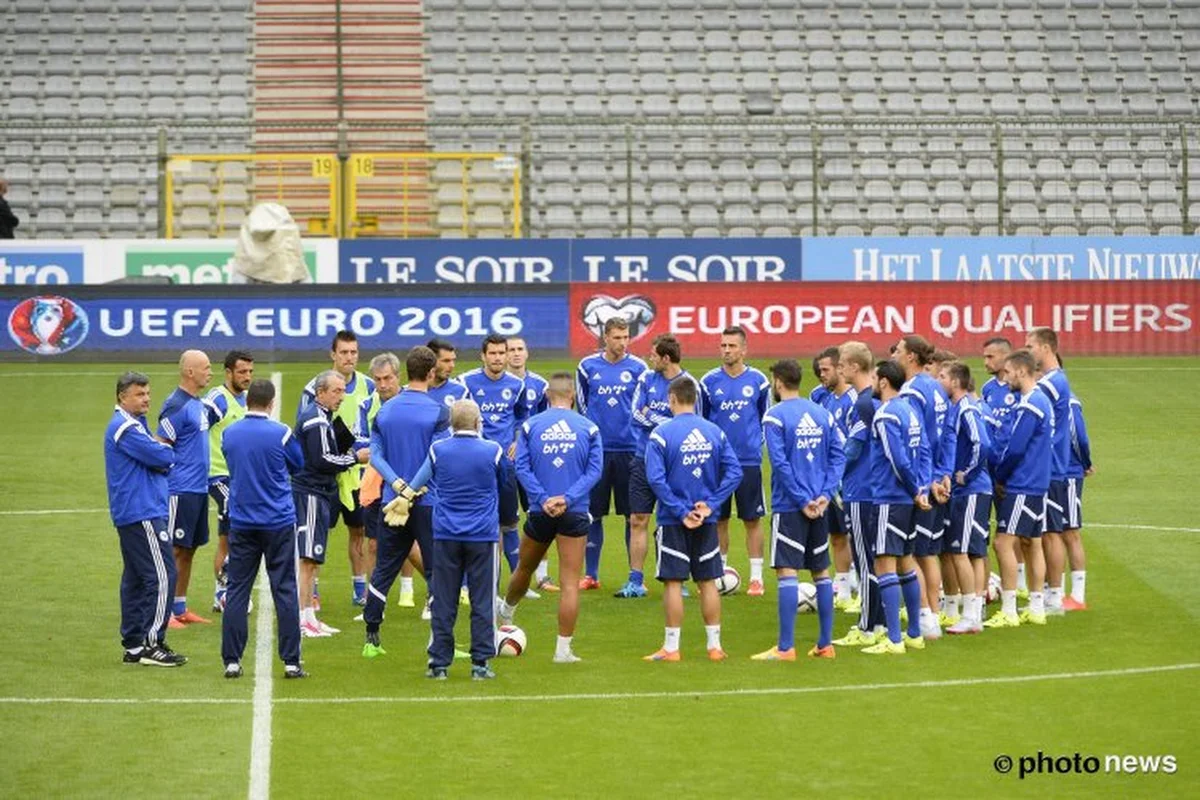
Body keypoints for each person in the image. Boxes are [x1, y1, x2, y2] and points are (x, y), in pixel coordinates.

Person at [500, 372, 603, 663]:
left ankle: (506, 616)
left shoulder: (531, 426)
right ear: (572, 395)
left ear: (547, 396)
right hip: (575, 512)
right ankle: (563, 651)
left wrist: (543, 498)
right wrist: (567, 499)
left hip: (539, 510)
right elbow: (594, 472)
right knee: (570, 583)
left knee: (523, 569)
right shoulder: (589, 428)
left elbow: (521, 468)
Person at [752, 359, 845, 661]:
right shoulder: (822, 414)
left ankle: (785, 647)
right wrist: (825, 495)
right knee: (821, 571)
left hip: (791, 506)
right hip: (820, 505)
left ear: (778, 382)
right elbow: (837, 456)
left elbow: (780, 464)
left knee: (786, 571)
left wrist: (803, 498)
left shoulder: (774, 417)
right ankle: (825, 644)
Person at [643, 377, 742, 662]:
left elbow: (656, 479)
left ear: (672, 400)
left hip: (674, 521)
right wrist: (709, 506)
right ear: (696, 400)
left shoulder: (661, 434)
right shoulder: (714, 432)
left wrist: (680, 511)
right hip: (706, 520)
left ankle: (672, 648)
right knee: (708, 581)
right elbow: (734, 473)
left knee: (673, 582)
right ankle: (714, 647)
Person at [362, 347, 450, 657]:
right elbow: (435, 457)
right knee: (438, 571)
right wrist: (412, 489)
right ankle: (440, 643)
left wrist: (398, 486)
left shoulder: (384, 411)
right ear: (430, 374)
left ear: (405, 374)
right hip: (427, 503)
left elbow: (376, 456)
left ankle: (371, 639)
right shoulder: (439, 411)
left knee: (384, 569)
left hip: (391, 504)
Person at [412, 400, 507, 681]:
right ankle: (480, 663)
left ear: (451, 424)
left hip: (445, 535)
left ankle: (438, 663)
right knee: (482, 600)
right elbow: (507, 483)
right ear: (479, 422)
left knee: (443, 599)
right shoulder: (493, 450)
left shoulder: (438, 450)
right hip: (483, 536)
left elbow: (418, 482)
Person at [219, 379, 307, 680]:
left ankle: (231, 660)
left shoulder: (231, 433)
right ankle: (292, 661)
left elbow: (231, 462)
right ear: (270, 403)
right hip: (278, 522)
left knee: (237, 589)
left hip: (243, 521)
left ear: (247, 402)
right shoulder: (281, 433)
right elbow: (298, 464)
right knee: (285, 590)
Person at [104, 371, 184, 667]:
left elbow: (157, 456)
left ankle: (135, 645)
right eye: (139, 394)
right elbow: (163, 457)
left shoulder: (134, 424)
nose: (146, 399)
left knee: (137, 579)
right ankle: (152, 643)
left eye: (148, 393)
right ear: (122, 397)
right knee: (163, 576)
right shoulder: (125, 427)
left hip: (137, 511)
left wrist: (160, 452)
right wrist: (163, 451)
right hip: (142, 512)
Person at [298, 331, 376, 609]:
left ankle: (359, 590)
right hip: (326, 475)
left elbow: (374, 421)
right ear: (333, 354)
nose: (349, 358)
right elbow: (305, 429)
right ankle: (312, 593)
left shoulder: (368, 385)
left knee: (359, 530)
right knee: (320, 531)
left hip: (356, 475)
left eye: (353, 352)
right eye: (344, 352)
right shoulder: (314, 388)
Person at [624, 334, 704, 599]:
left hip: (676, 463)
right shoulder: (646, 378)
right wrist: (669, 421)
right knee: (638, 519)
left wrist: (653, 417)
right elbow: (635, 414)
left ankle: (676, 577)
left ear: (665, 359)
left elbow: (694, 422)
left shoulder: (690, 384)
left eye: (653, 355)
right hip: (643, 458)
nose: (649, 358)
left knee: (673, 520)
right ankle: (635, 580)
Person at [862, 360, 930, 656]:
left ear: (885, 382)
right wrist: (923, 488)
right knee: (906, 562)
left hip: (891, 497)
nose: (872, 384)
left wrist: (915, 489)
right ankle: (914, 633)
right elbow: (924, 450)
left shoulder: (885, 414)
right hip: (910, 499)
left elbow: (897, 458)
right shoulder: (911, 411)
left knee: (884, 563)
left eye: (875, 378)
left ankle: (894, 639)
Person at [575, 317, 646, 590]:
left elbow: (641, 407)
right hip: (598, 452)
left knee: (633, 515)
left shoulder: (639, 368)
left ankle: (634, 574)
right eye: (617, 337)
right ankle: (591, 574)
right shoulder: (587, 366)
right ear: (605, 337)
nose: (622, 342)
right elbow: (581, 408)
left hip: (630, 450)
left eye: (626, 336)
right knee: (594, 513)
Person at [700, 326, 771, 596]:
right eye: (723, 345)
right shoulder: (707, 382)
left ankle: (756, 578)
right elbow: (703, 420)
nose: (726, 350)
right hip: (717, 464)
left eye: (731, 346)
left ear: (744, 349)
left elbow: (765, 419)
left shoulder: (759, 381)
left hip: (749, 461)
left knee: (752, 519)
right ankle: (719, 573)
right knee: (718, 519)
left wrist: (756, 445)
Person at [985, 350, 1053, 628]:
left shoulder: (1030, 405)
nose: (1008, 377)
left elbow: (1015, 449)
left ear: (1022, 372)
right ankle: (1036, 608)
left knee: (1003, 542)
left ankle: (1010, 610)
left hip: (1022, 482)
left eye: (1011, 372)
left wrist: (1000, 476)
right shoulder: (1042, 401)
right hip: (1038, 482)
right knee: (1032, 542)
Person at [293, 370, 359, 637]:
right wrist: (355, 459)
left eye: (343, 391)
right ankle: (302, 619)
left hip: (318, 493)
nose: (341, 397)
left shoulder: (324, 418)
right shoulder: (316, 420)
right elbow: (322, 461)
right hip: (310, 492)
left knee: (312, 559)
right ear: (320, 392)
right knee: (308, 558)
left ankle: (309, 617)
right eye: (336, 391)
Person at [461, 334, 528, 580]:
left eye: (502, 353)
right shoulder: (466, 384)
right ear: (483, 356)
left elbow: (522, 417)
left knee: (509, 522)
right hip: (476, 464)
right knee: (473, 521)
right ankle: (469, 583)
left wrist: (517, 438)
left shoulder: (516, 385)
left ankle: (518, 580)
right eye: (493, 353)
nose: (499, 358)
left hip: (505, 465)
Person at [157, 349, 215, 627]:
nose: (210, 371)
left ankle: (180, 608)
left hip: (198, 490)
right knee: (174, 551)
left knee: (190, 548)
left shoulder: (198, 403)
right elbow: (161, 445)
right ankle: (164, 611)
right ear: (189, 371)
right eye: (205, 367)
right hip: (180, 490)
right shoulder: (175, 405)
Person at [832, 342, 886, 647]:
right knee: (875, 559)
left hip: (861, 490)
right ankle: (878, 621)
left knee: (865, 561)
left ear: (854, 367)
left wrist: (833, 470)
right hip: (874, 489)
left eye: (842, 364)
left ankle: (867, 626)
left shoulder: (864, 403)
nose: (840, 369)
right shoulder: (874, 400)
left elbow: (852, 448)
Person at [893, 335, 945, 640]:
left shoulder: (911, 391)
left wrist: (920, 484)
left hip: (919, 484)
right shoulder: (935, 387)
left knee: (910, 552)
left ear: (911, 357)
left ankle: (924, 616)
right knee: (928, 552)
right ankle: (933, 615)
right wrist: (943, 472)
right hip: (935, 479)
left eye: (899, 350)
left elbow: (914, 442)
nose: (895, 354)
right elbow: (947, 433)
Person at [938, 362, 992, 635]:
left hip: (972, 490)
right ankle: (973, 612)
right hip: (966, 491)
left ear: (956, 382)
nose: (939, 380)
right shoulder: (957, 408)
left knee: (962, 551)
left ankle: (971, 615)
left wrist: (966, 474)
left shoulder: (967, 408)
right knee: (968, 551)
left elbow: (982, 443)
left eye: (943, 376)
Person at [353, 353, 410, 610]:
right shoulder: (366, 405)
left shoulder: (413, 401)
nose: (383, 384)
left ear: (398, 377)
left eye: (388, 378)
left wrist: (380, 450)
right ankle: (374, 604)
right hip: (377, 484)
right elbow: (361, 448)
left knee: (415, 543)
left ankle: (423, 592)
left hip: (412, 482)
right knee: (375, 543)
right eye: (378, 379)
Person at [1027, 327, 1072, 616]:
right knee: (1045, 532)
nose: (1028, 350)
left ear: (1045, 348)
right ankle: (1050, 592)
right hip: (1053, 466)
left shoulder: (1049, 385)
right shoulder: (1056, 381)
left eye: (1030, 345)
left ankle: (1055, 596)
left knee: (1051, 533)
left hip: (1051, 467)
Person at [507, 335, 557, 594]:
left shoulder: (540, 385)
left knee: (538, 514)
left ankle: (542, 576)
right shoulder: (500, 384)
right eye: (511, 350)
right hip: (504, 460)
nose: (515, 354)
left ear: (527, 353)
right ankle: (517, 574)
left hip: (533, 461)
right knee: (507, 520)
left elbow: (547, 421)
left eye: (519, 349)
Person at [205, 349, 253, 613]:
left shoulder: (245, 400)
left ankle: (219, 594)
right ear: (228, 373)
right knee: (236, 524)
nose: (247, 377)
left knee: (226, 539)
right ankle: (226, 591)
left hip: (237, 477)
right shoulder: (217, 400)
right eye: (242, 372)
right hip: (216, 475)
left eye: (250, 372)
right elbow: (196, 428)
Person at [979, 337, 1027, 597]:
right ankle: (1002, 582)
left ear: (1004, 357)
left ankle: (1019, 582)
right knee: (991, 529)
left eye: (990, 357)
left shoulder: (1018, 390)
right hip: (990, 469)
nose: (985, 361)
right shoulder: (988, 388)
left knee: (1013, 530)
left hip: (1012, 469)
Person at [814, 345, 859, 611]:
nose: (821, 375)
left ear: (840, 369)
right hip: (831, 480)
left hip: (852, 480)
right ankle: (843, 590)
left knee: (856, 536)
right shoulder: (826, 400)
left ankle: (860, 583)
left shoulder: (854, 400)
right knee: (837, 535)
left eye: (826, 370)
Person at [1064, 390, 1093, 611]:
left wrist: (1085, 463)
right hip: (1051, 473)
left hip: (1069, 473)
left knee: (1070, 531)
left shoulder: (1069, 400)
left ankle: (1077, 595)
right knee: (1051, 534)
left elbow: (1079, 436)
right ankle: (1053, 591)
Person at [426, 338, 470, 409]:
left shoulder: (461, 391)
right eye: (446, 361)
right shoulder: (411, 391)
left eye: (453, 360)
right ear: (430, 361)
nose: (452, 365)